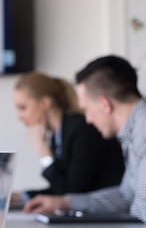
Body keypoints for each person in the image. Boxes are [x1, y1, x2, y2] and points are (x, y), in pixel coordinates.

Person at [23, 55, 146, 222]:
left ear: (104, 104)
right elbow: (126, 195)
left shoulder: (143, 134)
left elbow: (142, 213)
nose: (88, 119)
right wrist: (65, 203)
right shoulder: (134, 130)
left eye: (87, 109)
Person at [11, 71, 124, 207]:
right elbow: (60, 189)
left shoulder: (83, 130)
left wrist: (43, 153)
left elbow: (71, 194)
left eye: (23, 108)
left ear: (45, 103)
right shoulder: (58, 136)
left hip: (109, 219)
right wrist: (22, 196)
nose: (19, 116)